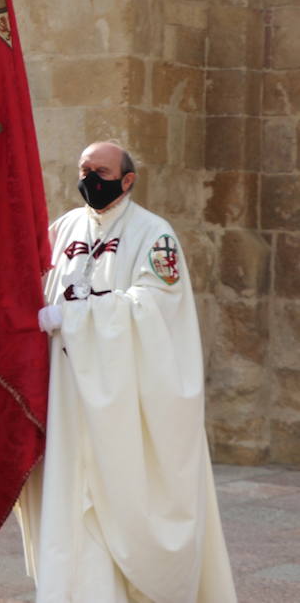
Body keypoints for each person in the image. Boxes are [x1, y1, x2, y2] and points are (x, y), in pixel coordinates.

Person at [16, 142, 236, 602]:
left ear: (128, 179)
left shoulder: (155, 235)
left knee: (112, 494)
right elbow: (29, 284)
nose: (90, 178)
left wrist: (75, 319)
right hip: (65, 393)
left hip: (120, 399)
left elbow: (155, 309)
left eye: (101, 170)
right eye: (84, 169)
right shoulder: (62, 229)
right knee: (68, 498)